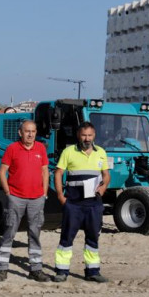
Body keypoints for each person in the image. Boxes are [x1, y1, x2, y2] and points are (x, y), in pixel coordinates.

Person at [0, 120, 51, 282]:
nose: (30, 134)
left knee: (35, 234)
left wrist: (44, 193)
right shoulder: (12, 149)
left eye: (33, 131)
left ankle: (36, 269)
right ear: (20, 132)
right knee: (9, 233)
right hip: (16, 198)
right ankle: (2, 269)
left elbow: (45, 171)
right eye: (27, 131)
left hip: (37, 198)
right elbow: (2, 170)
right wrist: (7, 192)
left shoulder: (40, 148)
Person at [53, 121, 111, 283]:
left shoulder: (101, 153)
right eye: (84, 135)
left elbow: (106, 175)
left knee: (93, 238)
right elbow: (58, 174)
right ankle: (61, 271)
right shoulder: (68, 151)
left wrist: (104, 187)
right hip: (73, 203)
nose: (87, 138)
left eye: (90, 135)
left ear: (94, 136)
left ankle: (92, 271)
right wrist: (60, 196)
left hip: (94, 204)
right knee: (66, 238)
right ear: (78, 135)